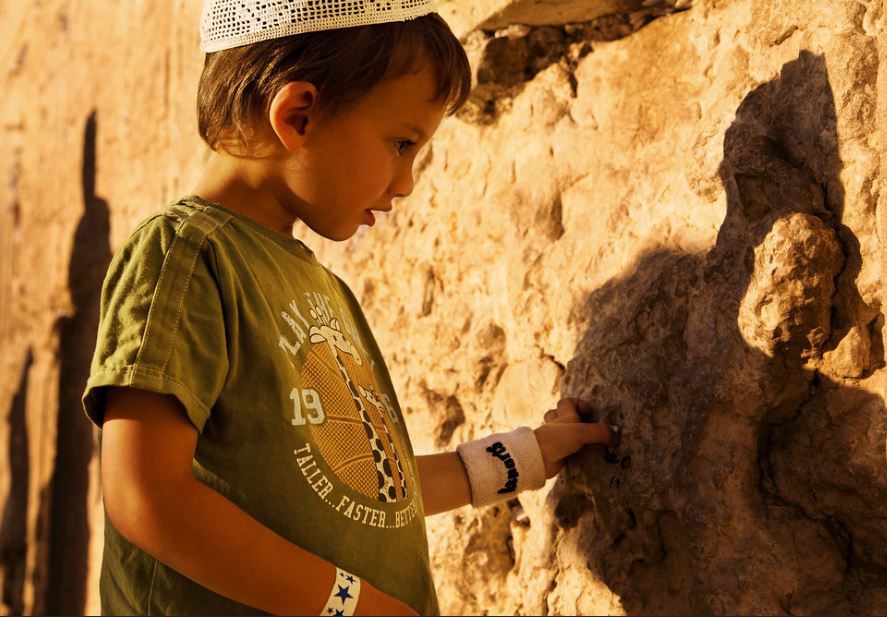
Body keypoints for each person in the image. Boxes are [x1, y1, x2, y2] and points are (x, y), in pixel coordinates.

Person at [82, 1, 620, 614]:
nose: (407, 180)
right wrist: (351, 606)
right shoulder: (186, 255)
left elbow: (363, 490)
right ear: (299, 115)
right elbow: (145, 496)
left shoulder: (320, 288)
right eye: (401, 142)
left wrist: (525, 456)